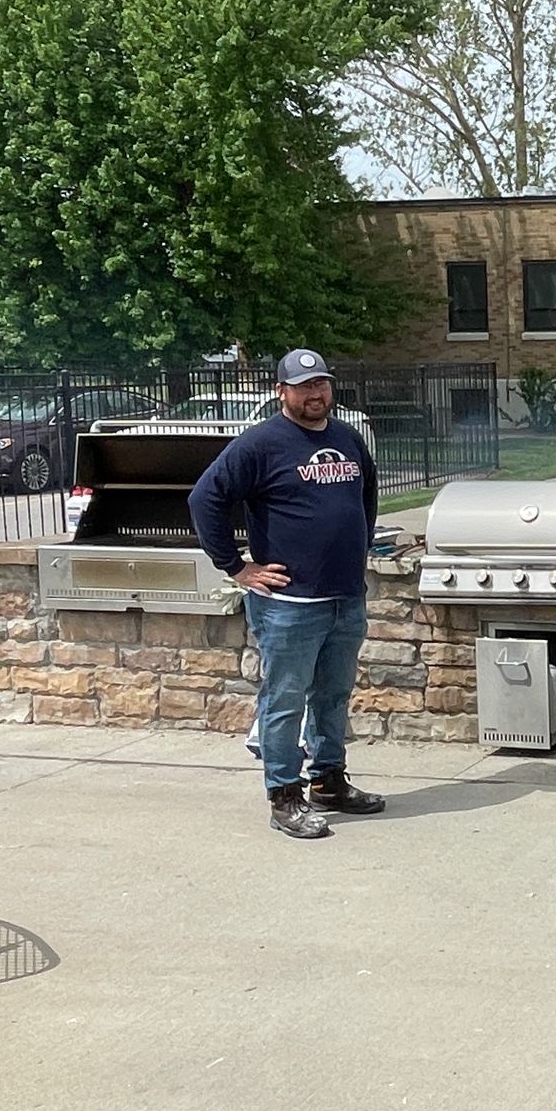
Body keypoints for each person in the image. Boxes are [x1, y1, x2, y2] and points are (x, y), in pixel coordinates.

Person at [189, 349, 384, 841]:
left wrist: (356, 547)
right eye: (303, 386)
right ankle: (284, 795)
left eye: (321, 384)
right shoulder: (260, 444)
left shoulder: (348, 438)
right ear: (282, 391)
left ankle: (329, 782)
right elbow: (204, 498)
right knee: (285, 700)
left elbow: (367, 498)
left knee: (334, 695)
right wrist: (237, 567)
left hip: (344, 596)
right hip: (289, 604)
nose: (315, 394)